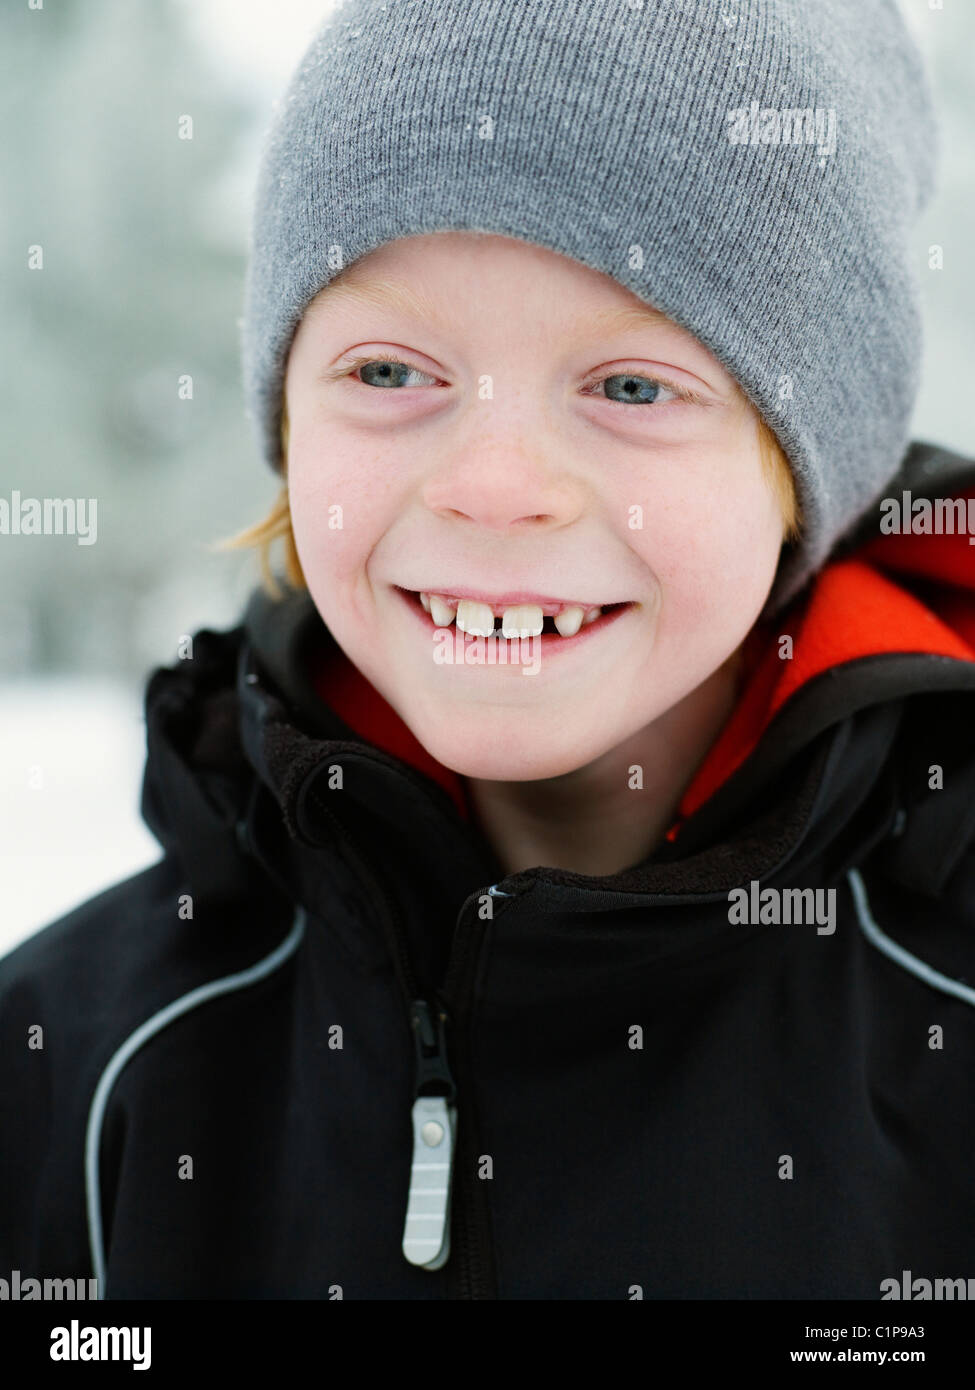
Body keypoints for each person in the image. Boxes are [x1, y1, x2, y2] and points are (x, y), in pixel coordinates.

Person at [2, 0, 974, 1301]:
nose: (495, 485)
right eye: (392, 371)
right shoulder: (79, 1059)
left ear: (813, 476)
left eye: (632, 386)